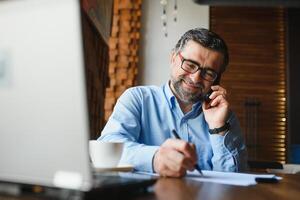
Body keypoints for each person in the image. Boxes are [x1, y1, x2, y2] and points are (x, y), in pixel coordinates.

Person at [99, 28, 247, 177]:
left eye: (208, 73)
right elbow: (108, 147)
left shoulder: (224, 117)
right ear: (173, 58)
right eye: (189, 65)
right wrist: (154, 158)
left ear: (216, 79)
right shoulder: (138, 99)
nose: (195, 78)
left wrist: (219, 128)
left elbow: (236, 179)